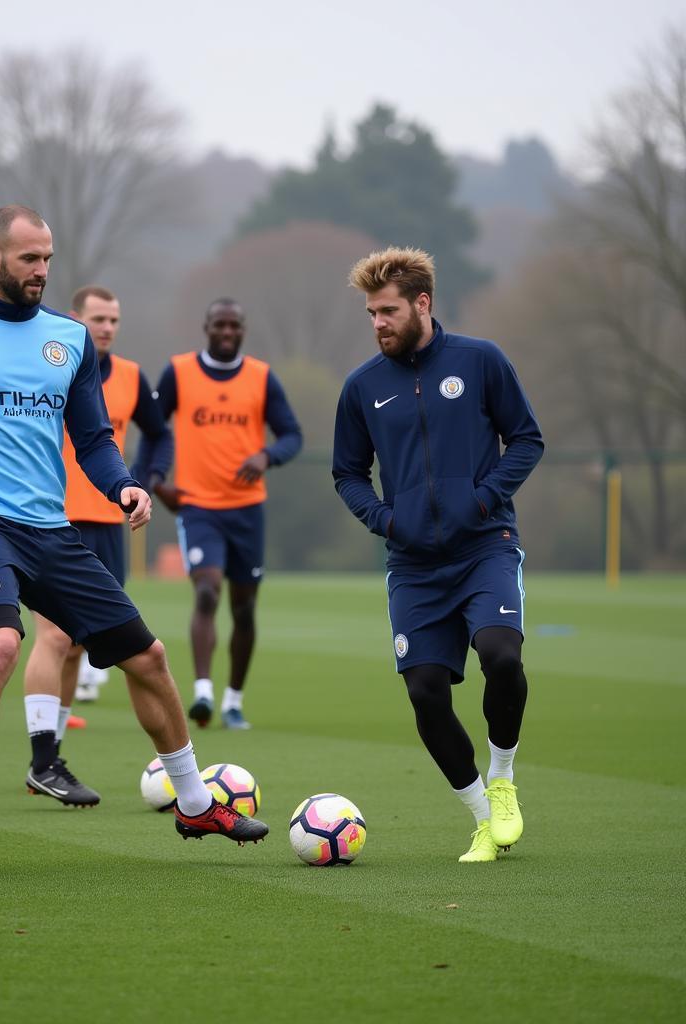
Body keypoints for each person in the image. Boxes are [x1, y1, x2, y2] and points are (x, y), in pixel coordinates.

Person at [0, 205, 267, 866]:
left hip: (52, 531)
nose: (42, 271)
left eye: (48, 259)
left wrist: (124, 486)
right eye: (29, 258)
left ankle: (196, 805)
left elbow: (92, 439)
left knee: (150, 658)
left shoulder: (70, 340)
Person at [332, 246, 544, 863]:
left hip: (485, 546)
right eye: (371, 313)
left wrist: (483, 500)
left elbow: (526, 438)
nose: (379, 323)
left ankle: (502, 780)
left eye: (389, 311)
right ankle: (483, 818)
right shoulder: (362, 387)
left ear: (422, 303)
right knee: (426, 690)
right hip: (414, 565)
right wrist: (385, 519)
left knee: (501, 656)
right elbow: (347, 472)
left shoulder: (480, 361)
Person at [20, 284, 173, 807]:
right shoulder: (50, 364)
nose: (106, 327)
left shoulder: (131, 377)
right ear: (74, 320)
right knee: (55, 638)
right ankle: (43, 759)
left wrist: (145, 478)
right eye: (97, 319)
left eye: (113, 319)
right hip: (52, 517)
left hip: (110, 524)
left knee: (82, 644)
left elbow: (159, 432)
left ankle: (51, 758)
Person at [152, 299, 302, 730]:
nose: (226, 331)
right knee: (206, 592)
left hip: (247, 509)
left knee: (244, 608)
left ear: (243, 329)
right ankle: (202, 692)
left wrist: (266, 456)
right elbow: (155, 429)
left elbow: (292, 434)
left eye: (234, 325)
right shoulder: (178, 372)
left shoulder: (261, 377)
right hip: (198, 507)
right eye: (219, 324)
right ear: (206, 326)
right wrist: (157, 482)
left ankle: (233, 700)